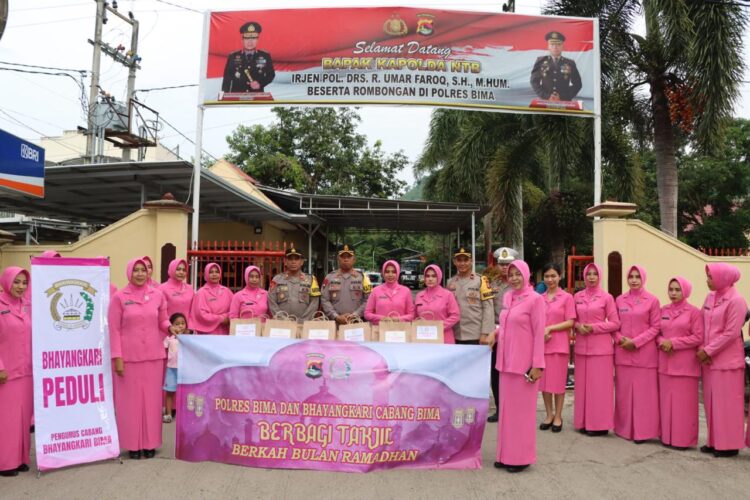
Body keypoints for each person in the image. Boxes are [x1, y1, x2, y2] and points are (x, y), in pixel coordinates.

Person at [109, 258, 170, 459]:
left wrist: (171, 327)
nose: (140, 274)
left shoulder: (158, 295)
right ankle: (132, 445)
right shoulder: (119, 297)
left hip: (154, 356)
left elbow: (162, 320)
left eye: (143, 270)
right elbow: (114, 329)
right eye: (135, 270)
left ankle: (150, 443)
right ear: (129, 272)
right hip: (128, 358)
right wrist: (117, 356)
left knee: (152, 403)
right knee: (129, 404)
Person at [488, 260, 545, 473]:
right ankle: (505, 454)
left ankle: (520, 458)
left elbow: (539, 333)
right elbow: (506, 325)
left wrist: (538, 365)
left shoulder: (535, 300)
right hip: (505, 362)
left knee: (521, 414)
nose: (513, 278)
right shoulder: (509, 297)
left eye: (517, 274)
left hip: (524, 365)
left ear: (526, 275)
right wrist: (495, 334)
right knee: (506, 412)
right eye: (510, 274)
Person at [698, 263, 747, 457]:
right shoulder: (710, 297)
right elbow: (701, 323)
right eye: (708, 276)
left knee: (727, 404)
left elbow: (731, 333)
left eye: (711, 277)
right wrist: (702, 349)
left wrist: (708, 351)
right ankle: (714, 441)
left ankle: (729, 445)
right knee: (711, 402)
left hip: (727, 362)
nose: (708, 280)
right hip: (709, 361)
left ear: (723, 278)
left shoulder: (736, 300)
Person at [614, 265, 661, 443]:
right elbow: (614, 324)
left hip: (645, 355)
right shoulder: (619, 300)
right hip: (623, 353)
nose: (634, 280)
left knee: (644, 396)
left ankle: (644, 431)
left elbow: (656, 327)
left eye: (637, 277)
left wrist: (636, 342)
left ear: (643, 279)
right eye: (631, 276)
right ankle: (624, 429)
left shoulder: (652, 300)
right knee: (624, 394)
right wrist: (620, 340)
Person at [573, 263, 619, 436]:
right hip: (581, 349)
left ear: (600, 276)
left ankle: (599, 424)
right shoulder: (577, 296)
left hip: (601, 350)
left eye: (595, 274)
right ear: (584, 276)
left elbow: (615, 323)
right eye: (588, 274)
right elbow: (572, 320)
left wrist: (594, 328)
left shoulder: (606, 297)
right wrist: (578, 326)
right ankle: (583, 422)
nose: (591, 277)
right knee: (583, 387)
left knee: (599, 388)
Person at [657, 277, 703, 449]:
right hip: (665, 364)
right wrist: (663, 342)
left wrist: (674, 343)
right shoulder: (662, 310)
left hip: (685, 366)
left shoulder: (694, 312)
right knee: (666, 403)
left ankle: (683, 440)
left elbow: (698, 337)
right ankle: (666, 437)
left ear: (686, 291)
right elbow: (657, 332)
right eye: (671, 289)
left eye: (678, 290)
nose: (674, 293)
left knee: (684, 405)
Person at [0, 267, 31, 477]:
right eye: (16, 282)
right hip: (7, 373)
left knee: (23, 418)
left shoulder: (28, 306)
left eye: (24, 283)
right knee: (7, 419)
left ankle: (21, 458)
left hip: (27, 372)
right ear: (6, 282)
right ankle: (5, 462)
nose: (20, 287)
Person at [538, 263, 575, 433]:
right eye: (547, 276)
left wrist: (551, 328)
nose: (550, 279)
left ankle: (559, 416)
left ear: (560, 276)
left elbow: (570, 321)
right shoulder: (540, 298)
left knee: (558, 384)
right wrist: (541, 333)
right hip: (542, 346)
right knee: (544, 383)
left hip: (559, 346)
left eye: (553, 276)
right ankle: (549, 414)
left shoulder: (566, 298)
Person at [486, 246, 518, 422]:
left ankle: (513, 408)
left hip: (515, 334)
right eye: (502, 264)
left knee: (513, 372)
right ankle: (499, 408)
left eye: (509, 264)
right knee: (496, 372)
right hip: (496, 333)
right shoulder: (492, 285)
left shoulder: (520, 284)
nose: (505, 268)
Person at [447, 248, 495, 345]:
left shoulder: (481, 280)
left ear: (471, 261)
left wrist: (485, 332)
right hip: (455, 334)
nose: (462, 263)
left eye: (466, 260)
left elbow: (488, 308)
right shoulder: (450, 282)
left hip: (476, 335)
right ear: (454, 262)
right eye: (459, 260)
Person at [320, 245, 372, 324]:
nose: (346, 259)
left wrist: (355, 315)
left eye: (349, 256)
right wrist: (336, 316)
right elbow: (324, 299)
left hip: (356, 322)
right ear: (338, 259)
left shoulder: (362, 277)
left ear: (354, 259)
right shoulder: (329, 277)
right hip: (335, 323)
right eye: (343, 257)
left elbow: (368, 300)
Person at [221, 21, 275, 93]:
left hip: (257, 96)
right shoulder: (233, 56)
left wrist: (260, 83)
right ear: (242, 40)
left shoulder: (265, 56)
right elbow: (227, 79)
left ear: (257, 40)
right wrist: (224, 97)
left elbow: (271, 75)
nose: (250, 42)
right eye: (247, 38)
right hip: (237, 96)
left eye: (253, 38)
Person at [268, 248, 321, 322]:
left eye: (296, 259)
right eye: (290, 259)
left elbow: (314, 303)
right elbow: (271, 301)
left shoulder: (311, 280)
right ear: (285, 261)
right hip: (282, 324)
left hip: (304, 324)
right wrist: (282, 319)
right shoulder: (276, 280)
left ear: (302, 262)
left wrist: (303, 321)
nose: (293, 262)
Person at [530, 31, 582, 101]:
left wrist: (562, 97)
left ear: (562, 46)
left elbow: (577, 84)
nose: (555, 47)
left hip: (564, 101)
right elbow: (534, 81)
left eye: (558, 44)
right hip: (545, 100)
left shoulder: (570, 63)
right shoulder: (540, 61)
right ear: (548, 46)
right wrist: (547, 96)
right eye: (552, 44)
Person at [414, 264, 460, 343]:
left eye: (433, 276)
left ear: (439, 277)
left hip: (444, 338)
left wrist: (438, 326)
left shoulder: (447, 295)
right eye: (427, 276)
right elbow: (414, 316)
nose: (430, 279)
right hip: (423, 338)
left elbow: (455, 316)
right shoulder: (419, 296)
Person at [364, 260, 414, 324]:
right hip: (380, 331)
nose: (390, 275)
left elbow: (412, 315)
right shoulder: (376, 291)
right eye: (387, 272)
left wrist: (399, 319)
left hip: (400, 331)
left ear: (398, 273)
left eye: (393, 272)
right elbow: (367, 314)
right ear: (383, 273)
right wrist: (382, 318)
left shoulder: (406, 291)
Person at [189, 263, 233, 334]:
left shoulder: (227, 291)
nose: (214, 274)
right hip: (207, 334)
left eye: (217, 272)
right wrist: (221, 319)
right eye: (211, 272)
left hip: (225, 332)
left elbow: (234, 310)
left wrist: (227, 317)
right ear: (206, 274)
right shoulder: (201, 293)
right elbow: (201, 314)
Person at [163, 313, 189, 424]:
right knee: (170, 392)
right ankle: (168, 414)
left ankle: (186, 414)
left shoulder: (189, 337)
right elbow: (162, 347)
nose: (180, 326)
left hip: (185, 370)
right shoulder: (169, 339)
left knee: (186, 393)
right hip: (171, 369)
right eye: (177, 324)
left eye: (183, 323)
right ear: (172, 326)